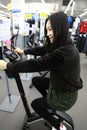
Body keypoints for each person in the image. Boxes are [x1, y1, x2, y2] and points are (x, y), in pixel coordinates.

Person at [0, 12, 83, 129]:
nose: (48, 33)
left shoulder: (64, 53)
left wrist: (8, 66)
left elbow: (37, 64)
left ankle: (58, 126)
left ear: (60, 28)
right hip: (62, 85)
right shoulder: (63, 44)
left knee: (35, 105)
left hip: (64, 97)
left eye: (50, 29)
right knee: (36, 80)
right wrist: (24, 51)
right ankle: (48, 103)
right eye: (47, 30)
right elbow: (44, 49)